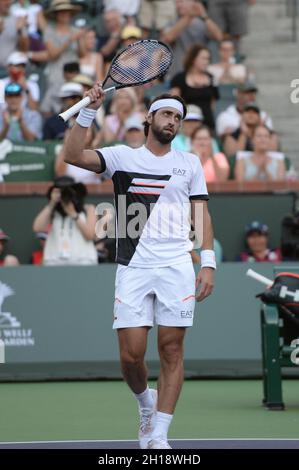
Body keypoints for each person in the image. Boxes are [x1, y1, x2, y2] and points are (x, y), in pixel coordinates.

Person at [63, 89, 216, 449]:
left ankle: (160, 433)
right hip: (134, 266)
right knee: (131, 355)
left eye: (177, 118)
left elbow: (201, 215)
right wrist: (88, 112)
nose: (172, 122)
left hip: (177, 264)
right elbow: (71, 155)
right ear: (149, 118)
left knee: (172, 349)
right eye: (165, 115)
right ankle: (145, 404)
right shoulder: (121, 157)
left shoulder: (190, 163)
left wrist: (207, 261)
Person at [33, 176, 98, 266]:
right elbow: (38, 228)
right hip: (54, 262)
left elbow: (90, 235)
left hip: (83, 262)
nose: (64, 195)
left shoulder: (88, 209)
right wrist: (52, 204)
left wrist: (74, 214)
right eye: (60, 192)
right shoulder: (53, 211)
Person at [161, 0, 223, 79]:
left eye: (181, 2)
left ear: (193, 3)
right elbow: (167, 38)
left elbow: (219, 37)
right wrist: (189, 16)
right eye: (176, 3)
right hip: (177, 75)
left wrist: (204, 15)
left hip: (199, 76)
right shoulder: (172, 23)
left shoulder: (202, 23)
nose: (178, 6)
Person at [170, 44, 219, 130]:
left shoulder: (212, 78)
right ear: (193, 59)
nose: (206, 62)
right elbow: (175, 102)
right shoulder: (180, 78)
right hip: (187, 123)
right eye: (203, 58)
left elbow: (212, 104)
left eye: (208, 59)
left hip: (207, 124)